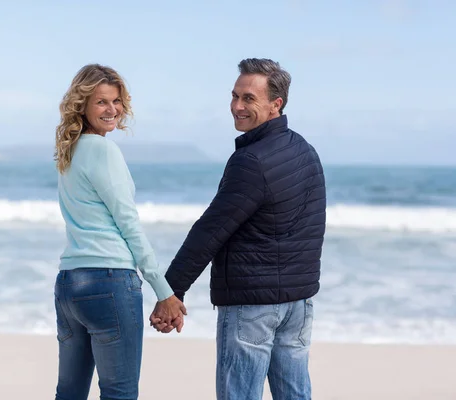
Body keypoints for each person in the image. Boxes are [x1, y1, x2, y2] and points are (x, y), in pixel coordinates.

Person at [150, 58, 326, 400]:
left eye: (248, 98)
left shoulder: (252, 161)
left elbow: (210, 231)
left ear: (276, 104)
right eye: (235, 96)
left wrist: (170, 293)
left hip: (253, 308)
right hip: (298, 304)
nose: (237, 106)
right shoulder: (306, 151)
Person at [53, 64, 186, 400]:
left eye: (116, 101)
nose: (112, 109)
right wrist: (164, 291)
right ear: (82, 105)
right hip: (109, 284)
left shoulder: (69, 153)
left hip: (70, 284)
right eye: (101, 102)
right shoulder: (103, 150)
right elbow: (128, 224)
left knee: (69, 394)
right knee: (120, 393)